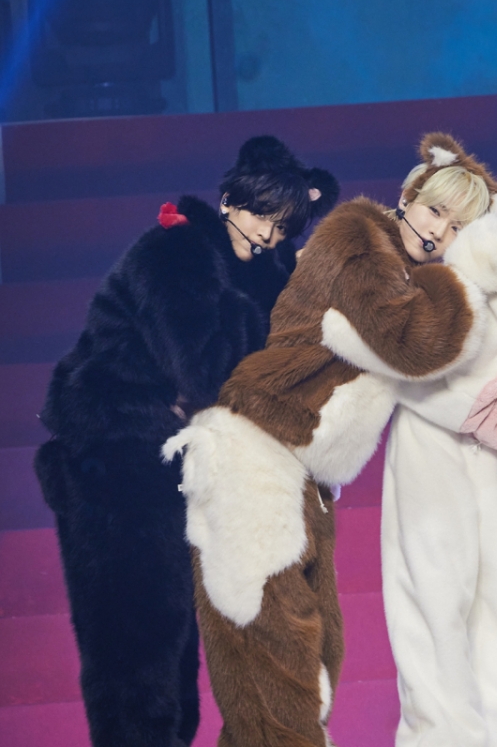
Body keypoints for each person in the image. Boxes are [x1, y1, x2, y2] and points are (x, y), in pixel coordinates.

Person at [166, 132, 497, 747]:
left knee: (305, 660)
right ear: (409, 196)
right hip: (255, 455)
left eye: (458, 227)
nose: (438, 231)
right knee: (277, 667)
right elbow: (416, 342)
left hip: (300, 476)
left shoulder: (398, 267)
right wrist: (474, 273)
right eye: (435, 210)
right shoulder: (358, 239)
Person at [34, 136, 337, 747]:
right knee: (134, 650)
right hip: (111, 463)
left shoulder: (246, 266)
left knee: (174, 645)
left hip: (168, 465)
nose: (267, 235)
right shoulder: (175, 252)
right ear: (229, 200)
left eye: (282, 226)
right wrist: (283, 307)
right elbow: (212, 368)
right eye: (261, 215)